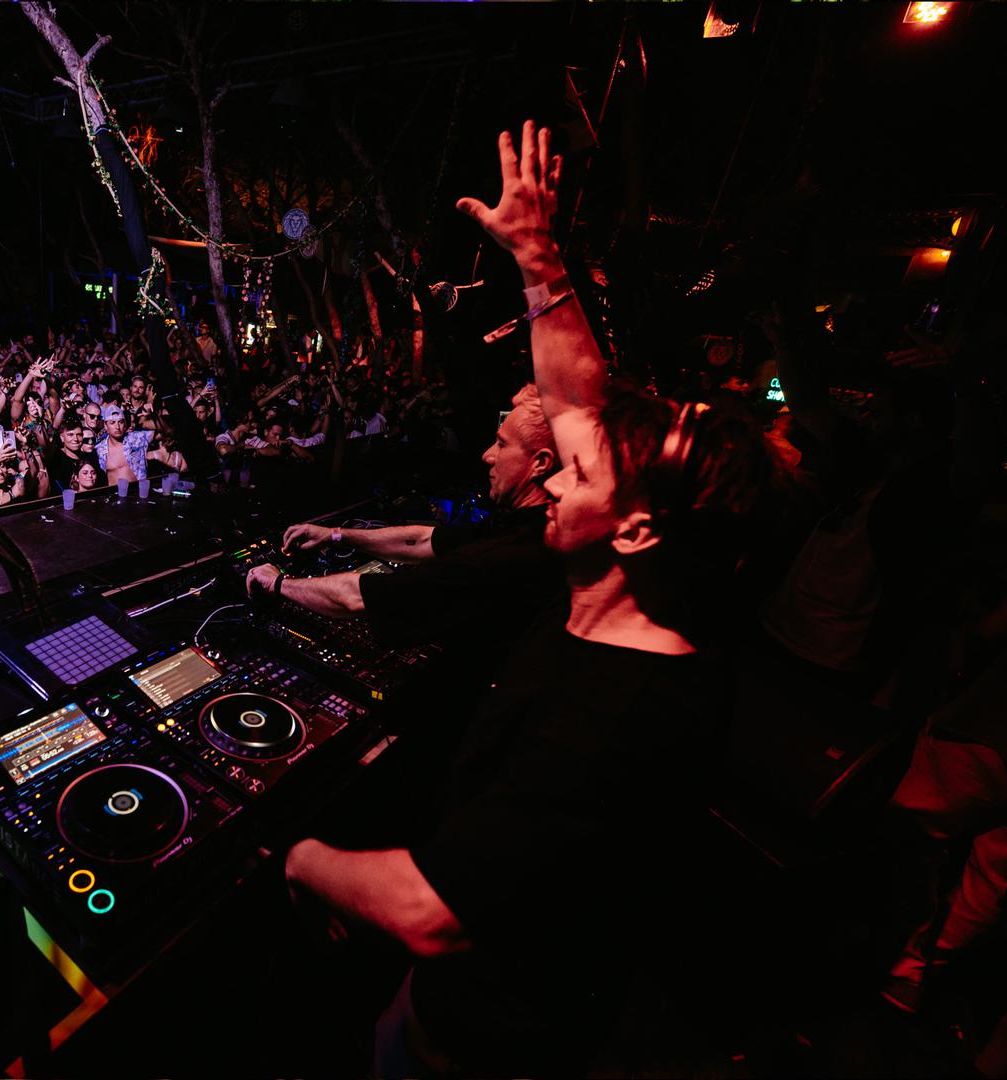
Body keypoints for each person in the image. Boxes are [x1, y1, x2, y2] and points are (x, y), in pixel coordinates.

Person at [282, 121, 777, 1077]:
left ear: (637, 531)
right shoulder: (631, 587)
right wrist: (540, 261)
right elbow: (577, 397)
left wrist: (297, 859)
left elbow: (428, 913)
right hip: (451, 994)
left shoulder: (618, 721)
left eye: (576, 476)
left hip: (492, 1037)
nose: (550, 478)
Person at [250, 384, 561, 651]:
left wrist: (277, 583)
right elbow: (421, 539)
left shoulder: (515, 551)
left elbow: (357, 597)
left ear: (540, 463)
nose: (488, 454)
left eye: (502, 444)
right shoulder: (525, 523)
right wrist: (334, 534)